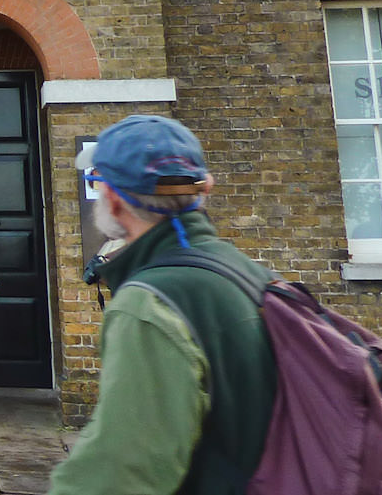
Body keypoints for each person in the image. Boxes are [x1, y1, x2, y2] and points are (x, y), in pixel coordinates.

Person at [49, 114, 276, 495]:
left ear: (114, 198)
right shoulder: (254, 274)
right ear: (207, 190)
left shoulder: (148, 305)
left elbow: (119, 476)